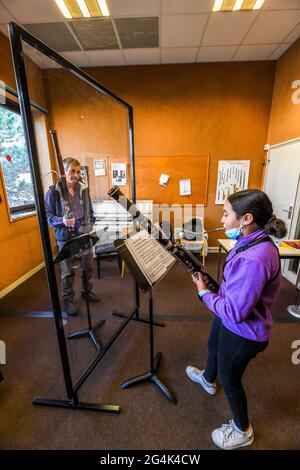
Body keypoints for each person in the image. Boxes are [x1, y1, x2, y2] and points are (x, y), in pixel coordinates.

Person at [186, 189, 286, 450]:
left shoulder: (256, 257)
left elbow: (234, 312)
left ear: (246, 218)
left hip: (244, 332)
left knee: (230, 380)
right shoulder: (252, 239)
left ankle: (243, 430)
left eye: (226, 214)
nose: (222, 220)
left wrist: (204, 293)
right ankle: (208, 379)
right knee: (213, 345)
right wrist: (213, 284)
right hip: (231, 320)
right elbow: (235, 285)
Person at [45, 157, 100, 316]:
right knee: (68, 271)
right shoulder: (53, 191)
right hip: (65, 236)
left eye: (78, 171)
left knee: (87, 266)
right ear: (64, 171)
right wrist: (61, 220)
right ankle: (68, 299)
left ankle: (86, 291)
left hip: (84, 233)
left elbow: (89, 209)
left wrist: (91, 222)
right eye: (72, 171)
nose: (75, 175)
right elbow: (48, 216)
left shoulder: (83, 188)